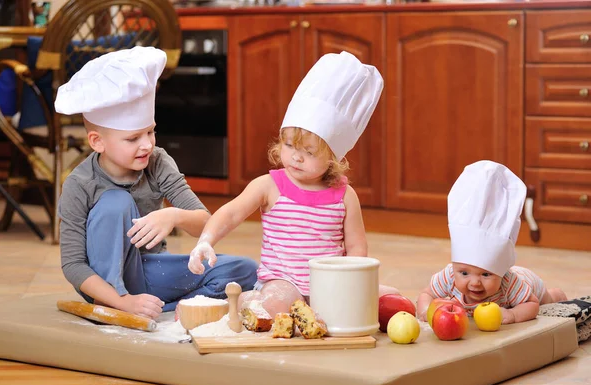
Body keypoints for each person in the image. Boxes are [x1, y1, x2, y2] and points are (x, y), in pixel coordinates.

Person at [187, 51, 398, 318]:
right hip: (282, 283)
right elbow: (231, 213)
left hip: (329, 285)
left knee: (391, 299)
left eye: (309, 152)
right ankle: (255, 300)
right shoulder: (269, 186)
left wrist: (352, 285)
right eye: (289, 145)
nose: (296, 156)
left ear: (333, 157)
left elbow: (357, 247)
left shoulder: (345, 196)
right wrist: (207, 240)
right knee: (278, 304)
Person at [55, 46, 257, 320]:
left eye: (151, 132)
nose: (147, 144)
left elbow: (204, 223)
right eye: (133, 138)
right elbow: (74, 266)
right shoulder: (80, 183)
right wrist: (123, 301)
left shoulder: (158, 161)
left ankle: (166, 308)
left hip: (151, 270)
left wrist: (173, 216)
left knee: (245, 270)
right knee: (117, 201)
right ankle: (125, 304)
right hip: (105, 285)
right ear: (97, 141)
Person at [416, 161, 567, 324]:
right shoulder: (449, 276)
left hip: (529, 281)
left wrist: (514, 314)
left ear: (501, 271)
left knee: (547, 302)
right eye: (464, 273)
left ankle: (556, 294)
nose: (475, 283)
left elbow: (532, 304)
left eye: (486, 274)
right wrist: (425, 310)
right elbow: (427, 294)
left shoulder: (511, 284)